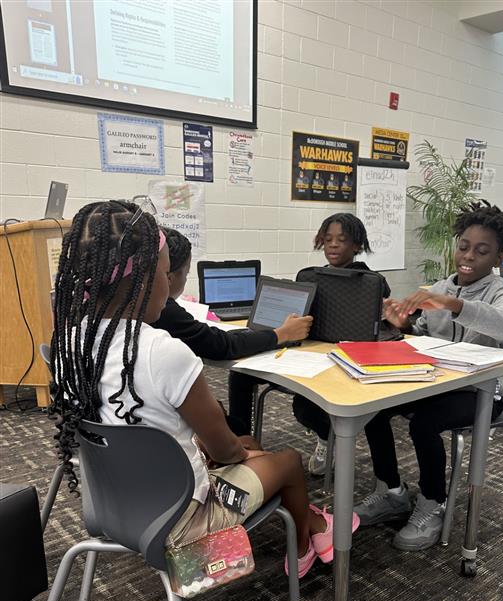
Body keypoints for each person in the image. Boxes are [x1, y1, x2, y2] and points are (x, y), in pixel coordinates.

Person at [50, 200, 350, 579]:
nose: (171, 284)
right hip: (184, 520)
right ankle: (307, 544)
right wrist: (228, 450)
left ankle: (314, 527)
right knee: (287, 459)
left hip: (112, 504)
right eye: (165, 273)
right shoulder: (164, 352)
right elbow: (225, 449)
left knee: (251, 448)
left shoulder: (69, 344)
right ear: (143, 279)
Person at [354, 201, 503, 551]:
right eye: (464, 247)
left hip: (481, 393)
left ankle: (433, 502)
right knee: (371, 406)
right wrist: (403, 324)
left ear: (498, 257)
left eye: (482, 251)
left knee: (423, 424)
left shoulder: (499, 291)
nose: (469, 256)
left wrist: (451, 304)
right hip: (435, 382)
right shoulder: (443, 285)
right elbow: (422, 331)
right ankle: (392, 492)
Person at [152, 227, 312, 435]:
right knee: (288, 457)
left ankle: (243, 437)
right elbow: (220, 346)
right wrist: (281, 334)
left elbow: (213, 338)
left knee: (235, 386)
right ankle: (243, 441)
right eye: (187, 272)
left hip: (152, 420)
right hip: (170, 428)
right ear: (169, 276)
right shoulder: (163, 310)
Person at [293, 213, 391, 475]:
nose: (333, 245)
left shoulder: (371, 281)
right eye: (328, 240)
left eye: (342, 240)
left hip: (355, 357)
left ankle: (337, 439)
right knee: (301, 406)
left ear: (357, 245)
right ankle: (327, 437)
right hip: (317, 353)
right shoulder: (311, 276)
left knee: (360, 409)